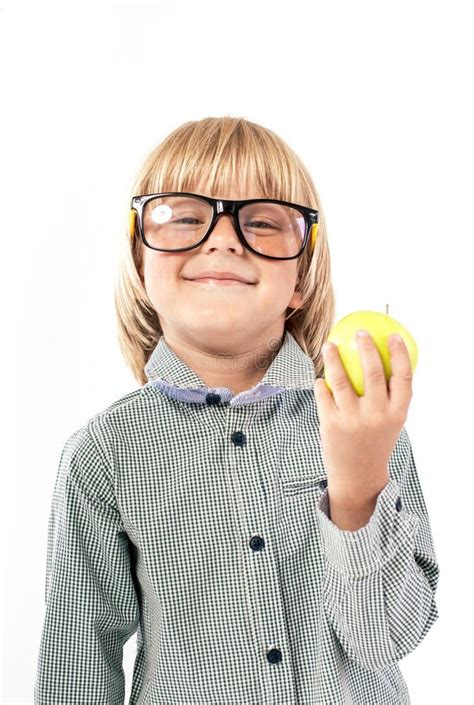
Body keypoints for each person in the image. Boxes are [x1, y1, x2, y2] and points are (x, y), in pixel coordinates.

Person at [34, 116, 439, 705]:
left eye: (262, 223)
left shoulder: (363, 424)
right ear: (141, 266)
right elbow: (78, 661)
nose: (222, 238)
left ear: (302, 276)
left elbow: (387, 638)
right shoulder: (102, 452)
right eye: (185, 217)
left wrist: (357, 487)